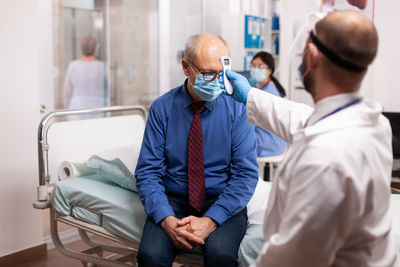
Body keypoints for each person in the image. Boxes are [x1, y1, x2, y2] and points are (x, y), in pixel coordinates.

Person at [220, 11, 400, 266]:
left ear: (312, 56)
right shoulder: (372, 121)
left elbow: (289, 257)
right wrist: (250, 95)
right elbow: (304, 119)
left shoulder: (324, 159)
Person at [134, 34, 258, 266]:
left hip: (222, 199)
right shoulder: (162, 108)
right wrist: (168, 220)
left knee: (221, 255)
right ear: (185, 67)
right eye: (209, 73)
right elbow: (148, 173)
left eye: (222, 73)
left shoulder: (237, 108)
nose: (218, 81)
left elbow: (246, 175)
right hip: (173, 201)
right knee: (150, 255)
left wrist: (211, 220)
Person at [249, 51, 286, 158]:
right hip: (277, 142)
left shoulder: (267, 92)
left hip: (267, 143)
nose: (256, 69)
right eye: (253, 66)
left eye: (260, 66)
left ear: (269, 70)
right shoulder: (270, 87)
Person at [63, 35, 107, 118]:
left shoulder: (73, 66)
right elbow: (108, 89)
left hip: (77, 110)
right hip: (98, 110)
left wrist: (68, 107)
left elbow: (67, 92)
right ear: (96, 49)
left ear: (81, 48)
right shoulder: (102, 66)